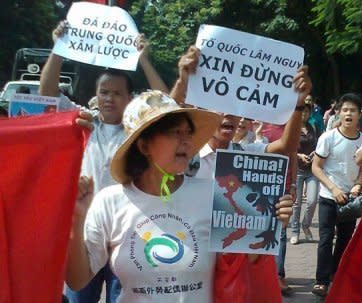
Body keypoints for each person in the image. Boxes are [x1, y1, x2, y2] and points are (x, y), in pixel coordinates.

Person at [67, 91, 294, 302]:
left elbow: (244, 263)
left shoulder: (214, 195)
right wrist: (76, 220)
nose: (187, 141)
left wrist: (269, 223)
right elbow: (77, 280)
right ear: (144, 144)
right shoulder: (109, 201)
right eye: (176, 132)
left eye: (189, 133)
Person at [170, 45, 312, 295]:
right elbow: (163, 130)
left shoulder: (246, 155)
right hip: (190, 256)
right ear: (203, 112)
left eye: (234, 110)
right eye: (219, 107)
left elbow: (287, 146)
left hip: (233, 264)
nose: (227, 114)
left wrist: (297, 105)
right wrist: (182, 81)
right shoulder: (185, 157)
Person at [41, 22, 165, 303]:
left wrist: (144, 59)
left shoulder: (139, 132)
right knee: (78, 298)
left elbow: (167, 103)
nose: (109, 98)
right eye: (104, 92)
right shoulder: (81, 122)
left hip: (128, 234)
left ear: (130, 98)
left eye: (117, 93)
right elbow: (47, 94)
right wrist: (58, 49)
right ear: (96, 95)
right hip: (85, 233)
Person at [311, 94, 362, 297]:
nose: (348, 113)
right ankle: (321, 281)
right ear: (338, 113)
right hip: (328, 195)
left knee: (345, 239)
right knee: (326, 238)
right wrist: (333, 189)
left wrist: (358, 186)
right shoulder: (328, 137)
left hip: (350, 199)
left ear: (360, 115)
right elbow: (316, 167)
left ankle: (337, 276)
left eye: (353, 110)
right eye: (345, 110)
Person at [289, 103, 319, 244]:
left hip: (312, 169)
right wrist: (299, 155)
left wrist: (315, 153)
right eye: (301, 112)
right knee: (296, 203)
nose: (304, 114)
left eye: (306, 112)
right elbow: (288, 147)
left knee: (312, 201)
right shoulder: (292, 128)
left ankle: (306, 225)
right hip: (297, 169)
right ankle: (295, 231)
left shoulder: (313, 128)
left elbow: (320, 145)